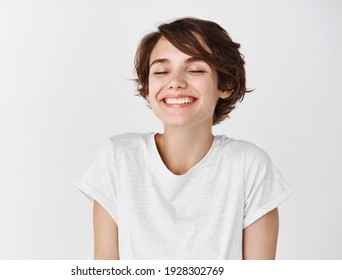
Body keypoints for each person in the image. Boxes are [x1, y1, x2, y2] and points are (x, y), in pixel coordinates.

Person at [73, 17, 294, 260]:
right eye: (161, 71)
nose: (175, 82)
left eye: (195, 69)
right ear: (147, 87)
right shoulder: (118, 158)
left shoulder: (249, 166)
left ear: (226, 84)